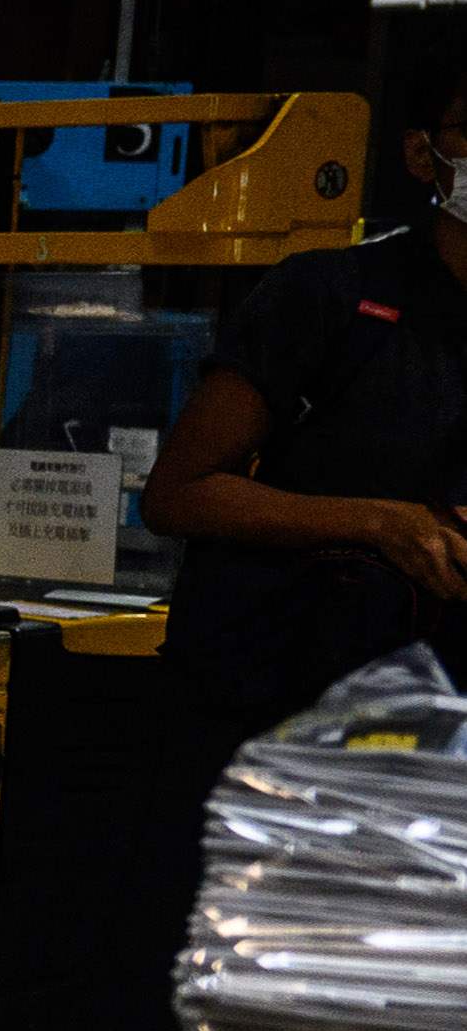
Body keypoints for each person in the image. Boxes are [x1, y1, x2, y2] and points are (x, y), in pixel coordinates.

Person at [137, 62, 467, 746]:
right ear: (421, 152)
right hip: (291, 721)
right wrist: (378, 523)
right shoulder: (332, 296)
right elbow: (178, 494)